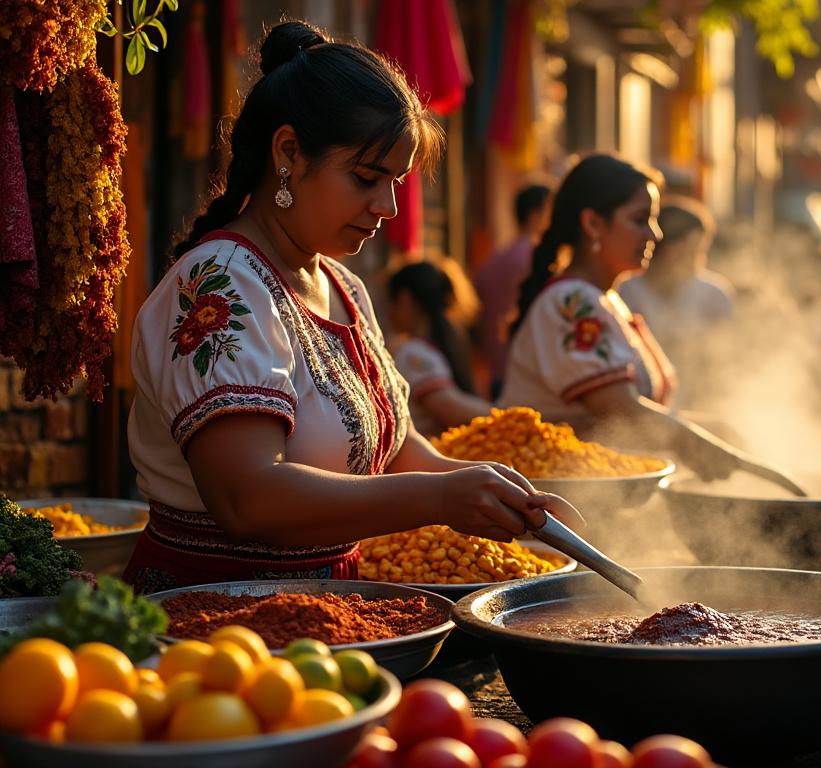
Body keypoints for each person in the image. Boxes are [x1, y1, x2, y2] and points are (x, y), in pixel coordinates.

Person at [123, 21, 575, 592]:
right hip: (213, 621)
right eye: (366, 178)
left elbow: (397, 448)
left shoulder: (343, 285)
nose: (386, 207)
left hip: (333, 610)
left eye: (396, 183)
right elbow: (248, 497)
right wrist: (440, 497)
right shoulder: (219, 285)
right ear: (288, 152)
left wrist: (490, 487)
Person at [498, 154, 765, 479]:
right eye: (640, 220)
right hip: (556, 500)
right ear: (593, 224)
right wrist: (695, 441)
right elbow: (620, 412)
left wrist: (709, 428)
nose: (655, 235)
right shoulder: (571, 301)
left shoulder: (604, 298)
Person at [616, 196, 734, 408]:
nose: (695, 258)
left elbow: (721, 365)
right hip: (642, 405)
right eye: (687, 248)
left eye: (699, 249)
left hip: (697, 404)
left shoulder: (714, 295)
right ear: (663, 246)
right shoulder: (625, 290)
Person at [387, 261, 493, 436]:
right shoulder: (450, 339)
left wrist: (507, 416)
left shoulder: (414, 352)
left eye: (391, 302)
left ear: (405, 299)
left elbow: (449, 406)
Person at [474, 184, 551, 398]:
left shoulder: (492, 260)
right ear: (535, 215)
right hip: (531, 376)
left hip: (497, 370)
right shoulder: (540, 260)